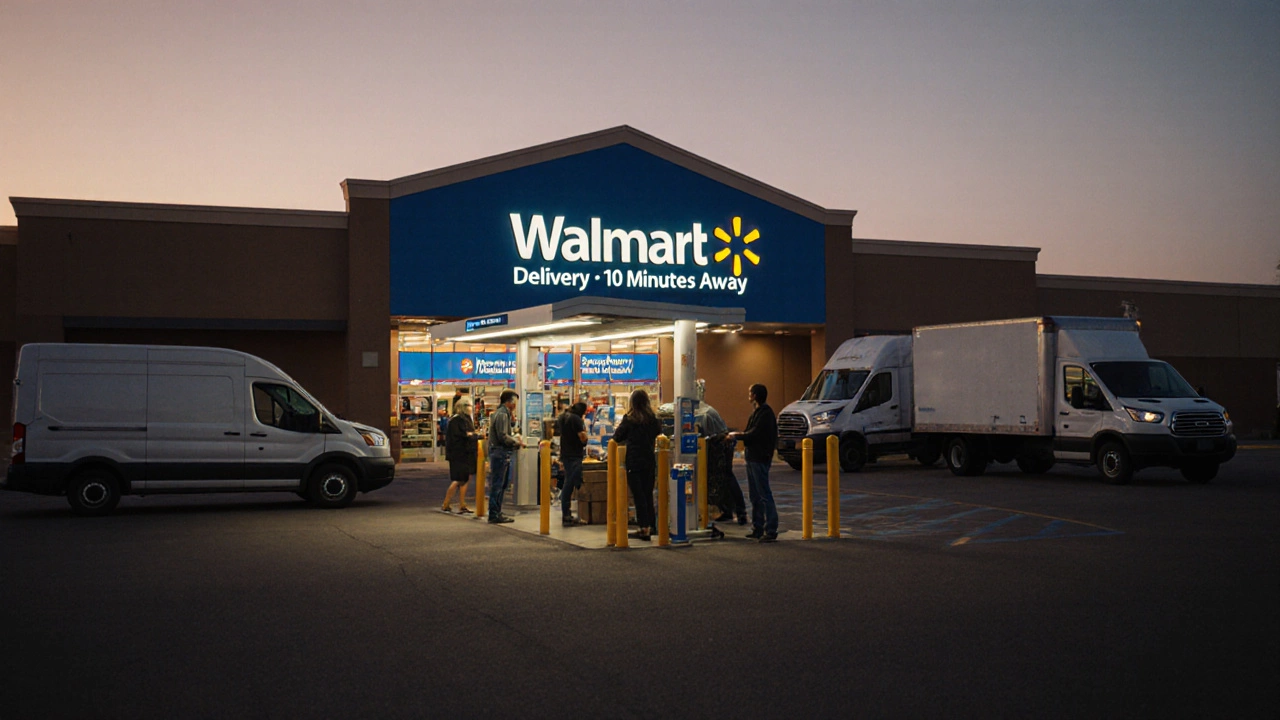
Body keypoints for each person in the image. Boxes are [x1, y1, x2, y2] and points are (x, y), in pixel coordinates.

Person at [729, 384, 779, 543]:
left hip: (759, 458)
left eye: (750, 393)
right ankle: (758, 527)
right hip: (753, 458)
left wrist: (736, 435)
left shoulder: (765, 414)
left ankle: (770, 528)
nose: (748, 395)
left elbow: (754, 434)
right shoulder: (759, 412)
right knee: (755, 495)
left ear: (755, 395)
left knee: (763, 494)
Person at [611, 389, 662, 541]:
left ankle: (643, 528)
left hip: (634, 461)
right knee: (647, 494)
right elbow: (658, 433)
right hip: (649, 460)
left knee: (638, 496)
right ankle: (652, 526)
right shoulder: (653, 419)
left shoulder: (630, 419)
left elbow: (617, 437)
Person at [699, 404, 747, 525]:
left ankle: (739, 511)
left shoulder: (703, 413)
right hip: (720, 442)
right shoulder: (705, 410)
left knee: (726, 477)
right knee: (723, 478)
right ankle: (728, 510)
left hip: (720, 444)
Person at [486, 390, 522, 524]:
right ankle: (494, 513)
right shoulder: (502, 414)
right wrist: (516, 442)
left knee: (501, 484)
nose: (516, 405)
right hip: (500, 453)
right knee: (498, 484)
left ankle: (497, 512)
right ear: (509, 402)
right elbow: (502, 436)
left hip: (499, 453)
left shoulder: (503, 413)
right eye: (515, 402)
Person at [441, 397, 477, 513]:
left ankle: (462, 504)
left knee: (465, 479)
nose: (471, 408)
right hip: (459, 455)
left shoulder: (465, 419)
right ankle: (446, 503)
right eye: (469, 406)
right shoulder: (457, 420)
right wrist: (472, 435)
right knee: (459, 479)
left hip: (465, 454)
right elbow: (461, 436)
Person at [558, 402, 590, 526]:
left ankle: (567, 513)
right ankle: (567, 515)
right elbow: (582, 437)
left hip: (566, 454)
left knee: (569, 483)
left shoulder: (564, 417)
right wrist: (585, 441)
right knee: (570, 484)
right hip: (574, 455)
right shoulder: (576, 419)